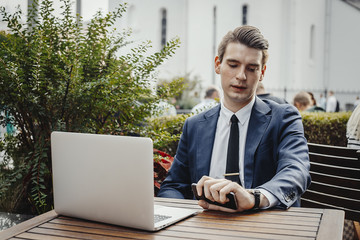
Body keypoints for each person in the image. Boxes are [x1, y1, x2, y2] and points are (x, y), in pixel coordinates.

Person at [158, 25, 311, 213]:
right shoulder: (194, 125)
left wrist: (254, 198)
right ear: (217, 65)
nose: (241, 76)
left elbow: (296, 171)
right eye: (233, 65)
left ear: (262, 73)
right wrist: (180, 217)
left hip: (264, 226)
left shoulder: (284, 118)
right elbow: (173, 186)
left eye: (252, 68)